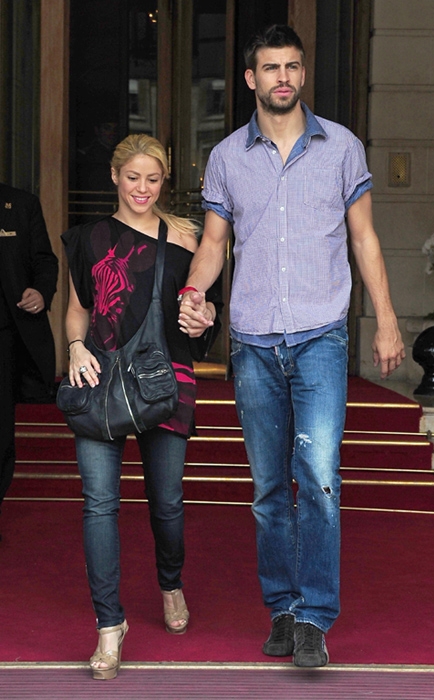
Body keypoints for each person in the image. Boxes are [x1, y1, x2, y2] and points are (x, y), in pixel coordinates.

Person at [177, 25, 405, 668]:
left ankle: (314, 617)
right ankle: (281, 607)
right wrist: (194, 293)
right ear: (251, 79)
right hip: (252, 341)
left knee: (320, 478)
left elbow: (364, 238)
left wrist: (386, 318)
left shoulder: (342, 148)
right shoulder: (227, 157)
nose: (283, 77)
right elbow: (214, 243)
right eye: (271, 68)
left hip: (320, 338)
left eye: (293, 66)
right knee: (270, 488)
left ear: (303, 74)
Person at [62, 134, 220, 681]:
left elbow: (203, 311)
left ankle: (170, 582)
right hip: (100, 378)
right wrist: (74, 346)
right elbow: (78, 309)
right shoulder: (88, 239)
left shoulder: (186, 237)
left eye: (153, 179)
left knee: (167, 502)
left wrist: (204, 319)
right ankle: (110, 625)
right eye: (133, 177)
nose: (142, 188)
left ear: (164, 180)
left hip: (166, 379)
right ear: (114, 176)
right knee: (98, 505)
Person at [0, 183, 58, 536]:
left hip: (5, 339)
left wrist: (41, 291)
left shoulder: (21, 204)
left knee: (2, 437)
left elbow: (44, 260)